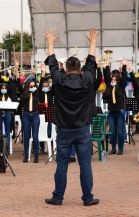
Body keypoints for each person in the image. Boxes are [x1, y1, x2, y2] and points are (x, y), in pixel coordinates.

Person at [44, 27, 99, 206]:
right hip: (83, 129)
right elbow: (91, 62)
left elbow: (52, 63)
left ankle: (58, 197)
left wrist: (50, 43)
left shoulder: (59, 80)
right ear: (80, 68)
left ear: (66, 69)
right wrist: (92, 42)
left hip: (64, 129)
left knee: (62, 164)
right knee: (85, 165)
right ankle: (88, 198)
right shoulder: (87, 79)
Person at [103, 57, 128, 155]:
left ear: (118, 80)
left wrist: (124, 66)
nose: (113, 81)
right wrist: (106, 67)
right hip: (111, 111)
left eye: (114, 79)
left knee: (120, 131)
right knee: (113, 131)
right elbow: (106, 76)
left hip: (120, 111)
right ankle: (113, 148)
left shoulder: (121, 87)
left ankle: (120, 149)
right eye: (112, 79)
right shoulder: (109, 87)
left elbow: (124, 78)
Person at [22, 75, 40, 163]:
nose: (33, 88)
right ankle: (26, 155)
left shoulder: (37, 93)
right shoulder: (24, 95)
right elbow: (18, 84)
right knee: (26, 137)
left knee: (35, 136)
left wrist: (43, 73)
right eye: (31, 86)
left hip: (35, 115)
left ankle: (36, 155)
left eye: (34, 86)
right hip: (26, 115)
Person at [0, 82, 12, 153]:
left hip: (7, 112)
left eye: (5, 88)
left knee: (7, 131)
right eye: (2, 88)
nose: (3, 90)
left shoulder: (9, 97)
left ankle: (7, 147)